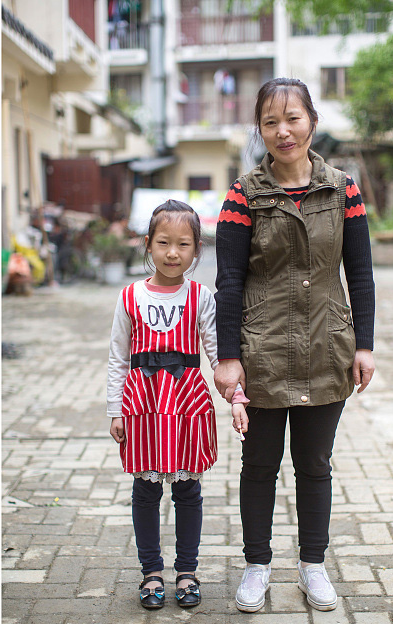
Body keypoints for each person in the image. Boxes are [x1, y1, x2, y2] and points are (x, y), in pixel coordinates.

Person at [214, 77, 375, 613]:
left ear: (312, 121)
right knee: (259, 464)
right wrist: (230, 357)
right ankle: (256, 567)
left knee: (315, 463)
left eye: (293, 118)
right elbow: (229, 280)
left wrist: (365, 345)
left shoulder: (343, 189)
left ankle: (313, 566)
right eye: (269, 122)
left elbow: (361, 274)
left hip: (328, 345)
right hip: (262, 350)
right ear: (259, 130)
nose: (283, 131)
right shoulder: (243, 194)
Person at [107, 200, 248, 610]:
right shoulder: (130, 296)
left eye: (183, 244)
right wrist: (114, 409)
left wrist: (237, 397)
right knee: (145, 492)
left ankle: (187, 571)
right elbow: (118, 356)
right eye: (164, 243)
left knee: (188, 490)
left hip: (187, 405)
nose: (173, 253)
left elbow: (218, 354)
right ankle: (151, 572)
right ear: (148, 245)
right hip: (143, 405)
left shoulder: (202, 297)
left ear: (196, 249)